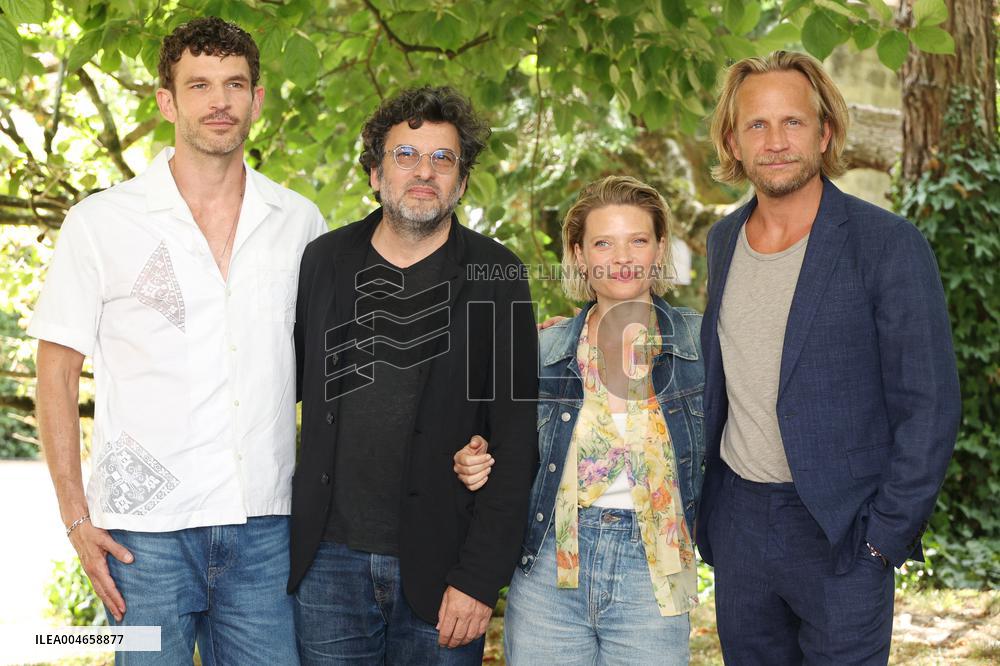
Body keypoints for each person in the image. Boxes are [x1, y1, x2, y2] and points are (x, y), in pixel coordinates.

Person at [30, 16, 325, 665]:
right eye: (199, 85)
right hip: (143, 534)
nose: (219, 101)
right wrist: (76, 515)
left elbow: (330, 366)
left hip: (265, 526)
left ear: (257, 99)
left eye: (234, 84)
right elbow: (55, 370)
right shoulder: (100, 222)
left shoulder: (300, 222)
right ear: (167, 101)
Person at [695, 50, 961, 664]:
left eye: (793, 121)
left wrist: (883, 539)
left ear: (825, 132)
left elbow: (929, 406)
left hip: (843, 533)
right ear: (733, 142)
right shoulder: (723, 240)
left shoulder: (888, 244)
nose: (776, 141)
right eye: (757, 125)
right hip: (739, 526)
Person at [289, 86, 538, 664]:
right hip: (328, 564)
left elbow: (515, 440)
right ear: (375, 172)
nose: (424, 171)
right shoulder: (324, 261)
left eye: (442, 158)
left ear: (462, 181)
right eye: (405, 155)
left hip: (444, 567)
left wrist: (479, 579)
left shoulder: (497, 275)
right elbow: (286, 383)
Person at [455, 175, 705, 665]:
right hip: (551, 565)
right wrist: (473, 458)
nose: (622, 257)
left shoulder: (702, 345)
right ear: (579, 255)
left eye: (638, 240)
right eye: (603, 243)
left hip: (655, 570)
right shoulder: (543, 350)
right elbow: (495, 444)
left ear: (659, 249)